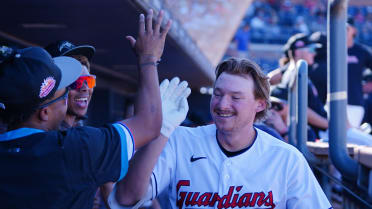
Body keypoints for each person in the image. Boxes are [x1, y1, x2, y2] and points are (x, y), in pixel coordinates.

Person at [0, 9, 172, 208]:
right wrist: (148, 58)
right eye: (66, 87)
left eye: (88, 80)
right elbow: (148, 125)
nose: (81, 87)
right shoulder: (75, 148)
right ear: (44, 112)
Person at [110, 58, 332, 209]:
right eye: (218, 94)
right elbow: (126, 197)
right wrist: (163, 129)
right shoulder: (180, 140)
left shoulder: (287, 158)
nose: (222, 104)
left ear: (260, 105)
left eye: (236, 97)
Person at [44, 40, 96, 129]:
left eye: (88, 80)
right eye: (75, 82)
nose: (85, 88)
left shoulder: (82, 134)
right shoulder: (44, 135)